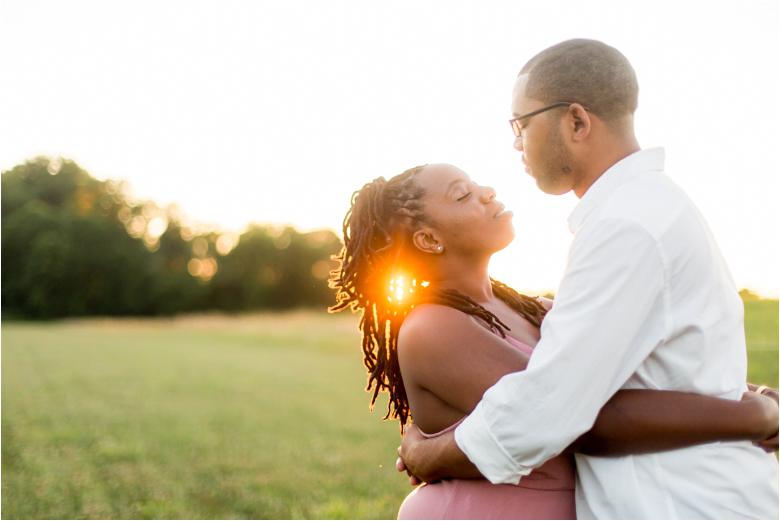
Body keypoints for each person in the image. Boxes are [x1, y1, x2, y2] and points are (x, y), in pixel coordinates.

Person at [396, 39, 779, 519]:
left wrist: (427, 453)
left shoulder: (625, 225)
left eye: (521, 124)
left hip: (682, 503)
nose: (516, 143)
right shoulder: (644, 209)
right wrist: (751, 405)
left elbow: (556, 409)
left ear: (576, 121)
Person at [329, 162, 779, 519]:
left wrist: (748, 393)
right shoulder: (433, 327)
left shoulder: (535, 309)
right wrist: (752, 417)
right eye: (462, 194)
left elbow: (626, 387)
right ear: (428, 239)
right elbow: (577, 415)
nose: (486, 191)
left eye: (474, 183)